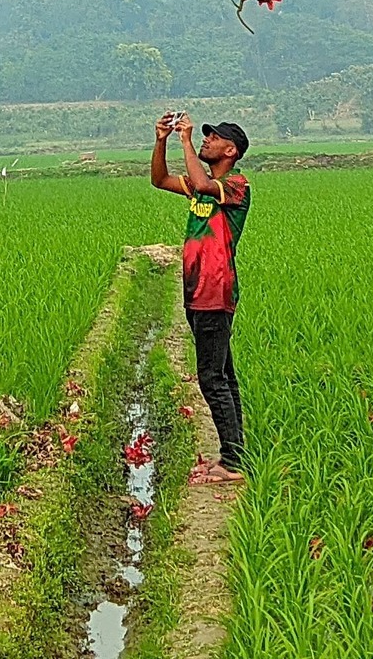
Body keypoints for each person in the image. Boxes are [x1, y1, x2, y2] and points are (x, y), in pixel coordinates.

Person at [151, 111, 251, 483]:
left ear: (231, 150)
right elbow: (159, 179)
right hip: (196, 291)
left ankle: (230, 464)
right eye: (204, 137)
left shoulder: (236, 186)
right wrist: (161, 139)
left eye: (213, 138)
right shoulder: (202, 185)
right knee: (224, 374)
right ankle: (234, 453)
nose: (207, 141)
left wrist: (186, 141)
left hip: (215, 290)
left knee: (211, 378)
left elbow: (203, 184)